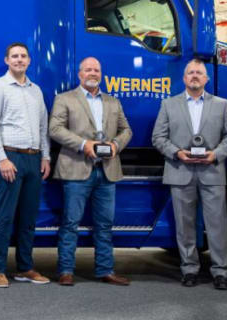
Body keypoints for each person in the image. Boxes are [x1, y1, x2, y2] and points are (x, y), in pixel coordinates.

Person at [151, 59, 227, 290]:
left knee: (217, 225)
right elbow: (158, 138)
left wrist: (215, 155)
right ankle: (189, 269)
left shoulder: (222, 105)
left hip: (212, 171)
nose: (195, 76)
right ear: (184, 78)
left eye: (199, 72)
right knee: (185, 225)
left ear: (206, 78)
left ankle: (220, 272)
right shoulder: (168, 104)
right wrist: (177, 153)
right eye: (191, 73)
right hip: (180, 171)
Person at [48, 57, 132, 286]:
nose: (92, 73)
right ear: (80, 74)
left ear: (101, 74)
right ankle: (65, 270)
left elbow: (126, 130)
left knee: (105, 225)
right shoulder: (64, 99)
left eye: (96, 69)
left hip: (107, 171)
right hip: (76, 170)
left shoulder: (113, 102)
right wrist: (84, 144)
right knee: (70, 222)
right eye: (88, 70)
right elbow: (54, 129)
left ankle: (105, 270)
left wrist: (115, 145)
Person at [0, 42, 51, 288]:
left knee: (28, 218)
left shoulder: (36, 91)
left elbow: (43, 126)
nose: (19, 60)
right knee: (5, 216)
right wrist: (1, 159)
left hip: (34, 159)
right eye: (15, 56)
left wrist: (45, 157)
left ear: (29, 61)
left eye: (23, 56)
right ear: (7, 60)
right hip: (10, 158)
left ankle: (25, 267)